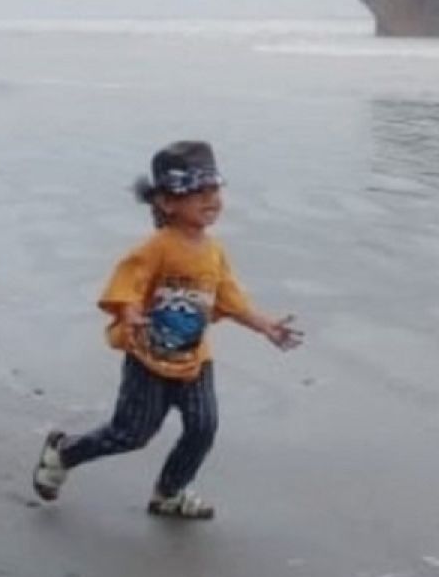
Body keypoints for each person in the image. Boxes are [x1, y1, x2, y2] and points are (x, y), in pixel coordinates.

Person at [31, 140, 303, 520]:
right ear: (167, 202)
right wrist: (128, 311)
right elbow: (129, 281)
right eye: (198, 191)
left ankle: (170, 492)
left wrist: (264, 325)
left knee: (203, 427)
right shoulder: (157, 248)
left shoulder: (213, 251)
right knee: (130, 434)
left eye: (215, 189)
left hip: (194, 359)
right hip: (148, 358)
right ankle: (63, 453)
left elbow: (228, 296)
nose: (211, 199)